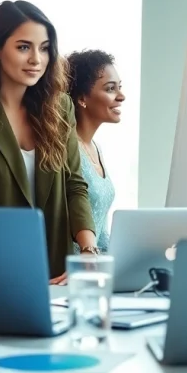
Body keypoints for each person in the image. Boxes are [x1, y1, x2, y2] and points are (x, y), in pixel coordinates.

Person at [0, 0, 97, 282]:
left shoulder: (60, 107)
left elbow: (75, 186)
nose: (36, 60)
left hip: (58, 269)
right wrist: (6, 256)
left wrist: (88, 251)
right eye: (23, 47)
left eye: (44, 48)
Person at [65, 49, 126, 252]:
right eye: (110, 89)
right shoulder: (66, 149)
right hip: (72, 265)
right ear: (82, 98)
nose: (121, 96)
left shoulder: (95, 148)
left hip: (96, 261)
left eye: (119, 87)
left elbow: (101, 231)